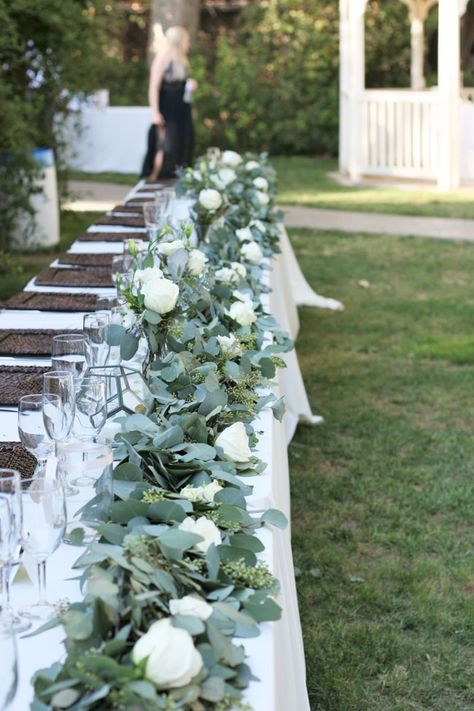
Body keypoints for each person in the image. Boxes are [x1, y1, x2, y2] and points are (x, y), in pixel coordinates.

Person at [141, 26, 196, 181]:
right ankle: (156, 176)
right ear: (178, 42)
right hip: (168, 106)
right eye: (186, 41)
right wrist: (155, 112)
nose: (188, 44)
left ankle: (178, 176)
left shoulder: (182, 60)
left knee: (183, 140)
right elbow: (153, 87)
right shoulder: (163, 58)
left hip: (182, 107)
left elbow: (181, 83)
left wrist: (190, 84)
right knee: (165, 143)